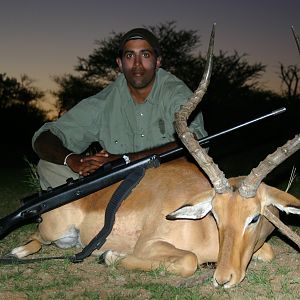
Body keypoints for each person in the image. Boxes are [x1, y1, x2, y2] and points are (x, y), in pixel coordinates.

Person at [33, 27, 207, 190]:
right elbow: (45, 136)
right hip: (118, 183)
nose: (137, 64)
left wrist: (124, 160)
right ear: (120, 63)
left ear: (158, 61)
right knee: (49, 166)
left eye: (145, 55)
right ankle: (97, 211)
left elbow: (197, 143)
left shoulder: (176, 93)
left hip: (167, 183)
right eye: (130, 56)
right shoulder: (104, 101)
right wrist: (73, 160)